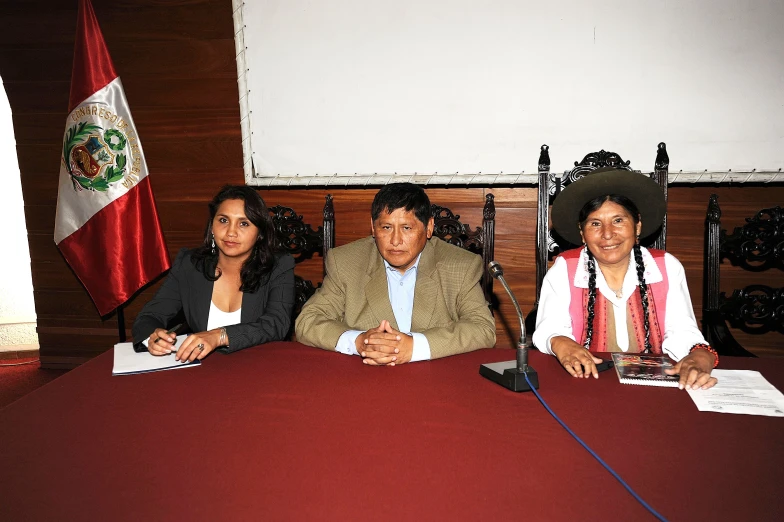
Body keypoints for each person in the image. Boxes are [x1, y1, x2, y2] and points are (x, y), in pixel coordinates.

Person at [532, 167, 718, 390]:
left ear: (637, 225)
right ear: (582, 233)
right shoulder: (564, 269)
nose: (607, 234)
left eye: (618, 220)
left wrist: (697, 356)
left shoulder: (666, 267)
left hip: (653, 388)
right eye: (595, 223)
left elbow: (681, 331)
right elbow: (549, 328)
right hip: (585, 384)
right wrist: (560, 342)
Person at [295, 182, 495, 365]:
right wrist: (359, 341)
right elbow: (308, 321)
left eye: (407, 228)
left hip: (434, 381)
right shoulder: (346, 262)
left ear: (429, 228)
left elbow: (482, 328)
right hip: (365, 380)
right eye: (386, 227)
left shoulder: (460, 266)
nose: (396, 240)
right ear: (373, 228)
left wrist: (414, 347)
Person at [132, 185, 295, 361]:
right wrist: (154, 337)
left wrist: (219, 336)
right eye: (223, 220)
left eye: (244, 223)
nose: (231, 232)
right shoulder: (190, 264)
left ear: (259, 233)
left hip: (257, 366)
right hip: (203, 369)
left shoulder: (278, 266)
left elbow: (276, 324)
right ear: (212, 226)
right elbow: (150, 316)